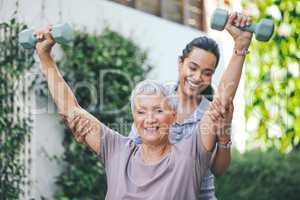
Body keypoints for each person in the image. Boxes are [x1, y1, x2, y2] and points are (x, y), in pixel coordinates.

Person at [35, 11, 252, 200]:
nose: (149, 119)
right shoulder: (118, 151)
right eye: (141, 112)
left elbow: (222, 101)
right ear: (134, 119)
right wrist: (45, 57)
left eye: (158, 110)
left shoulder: (188, 157)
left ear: (173, 116)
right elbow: (72, 111)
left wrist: (240, 47)